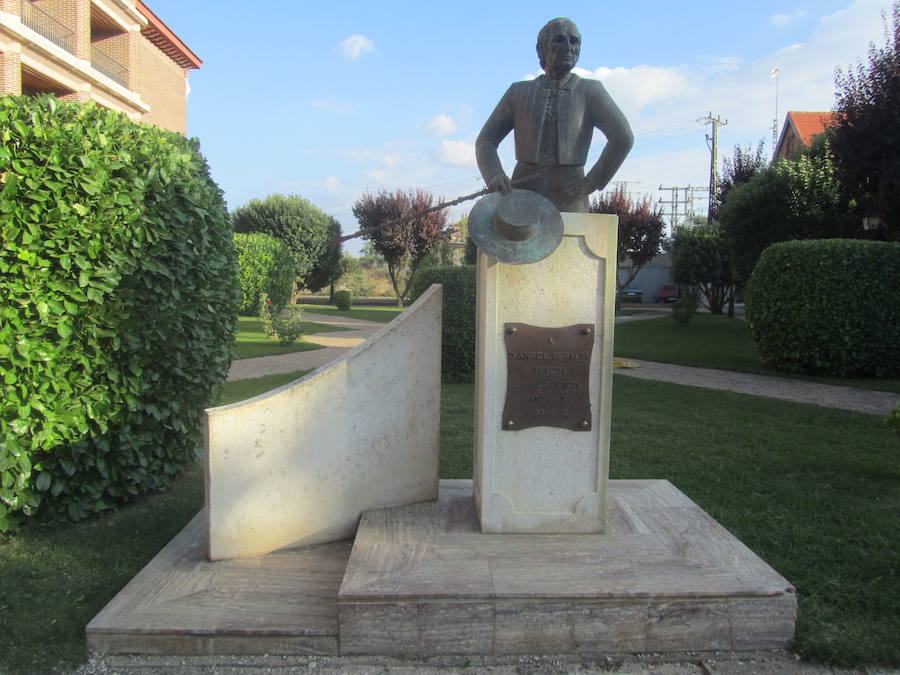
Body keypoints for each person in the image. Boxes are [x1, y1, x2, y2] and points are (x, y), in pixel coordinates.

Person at [475, 18, 633, 213]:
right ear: (541, 48)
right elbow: (486, 141)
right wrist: (494, 175)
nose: (568, 47)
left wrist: (590, 183)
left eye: (574, 41)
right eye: (559, 40)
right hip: (522, 193)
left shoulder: (590, 91)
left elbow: (623, 138)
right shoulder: (519, 92)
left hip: (569, 196)